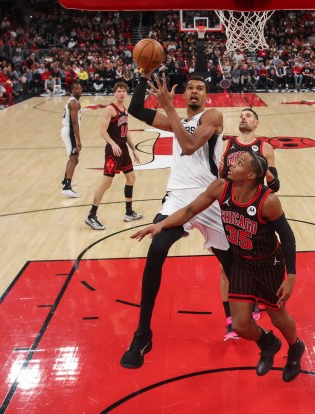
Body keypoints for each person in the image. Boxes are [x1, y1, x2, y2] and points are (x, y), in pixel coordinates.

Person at [132, 151, 304, 382]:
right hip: (242, 262)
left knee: (278, 317)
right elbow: (190, 211)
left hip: (269, 266)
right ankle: (268, 343)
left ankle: (295, 349)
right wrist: (160, 225)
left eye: (240, 163)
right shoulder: (221, 188)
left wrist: (291, 275)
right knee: (241, 325)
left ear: (251, 175)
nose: (233, 163)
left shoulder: (268, 200)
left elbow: (288, 236)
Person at [120, 71, 233, 369]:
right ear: (183, 95)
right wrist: (142, 77)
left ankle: (245, 316)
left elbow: (189, 145)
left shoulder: (213, 116)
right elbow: (136, 111)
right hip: (179, 196)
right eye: (190, 88)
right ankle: (143, 333)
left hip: (209, 198)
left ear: (206, 96)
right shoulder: (176, 119)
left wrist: (168, 108)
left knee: (232, 264)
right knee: (156, 250)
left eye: (200, 88)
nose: (195, 91)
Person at [218, 108, 280, 340]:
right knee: (225, 266)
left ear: (257, 123)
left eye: (248, 115)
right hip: (229, 209)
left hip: (254, 213)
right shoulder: (226, 144)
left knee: (252, 261)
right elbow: (220, 177)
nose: (243, 118)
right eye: (241, 115)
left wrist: (272, 178)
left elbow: (274, 184)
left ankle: (252, 301)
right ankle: (230, 321)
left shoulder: (265, 148)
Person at [85, 81, 143, 230]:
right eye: (119, 91)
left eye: (124, 90)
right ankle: (91, 215)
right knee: (106, 183)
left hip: (123, 149)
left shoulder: (124, 109)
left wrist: (133, 148)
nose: (122, 93)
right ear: (114, 93)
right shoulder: (110, 109)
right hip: (113, 150)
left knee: (131, 178)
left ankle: (129, 212)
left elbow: (126, 130)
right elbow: (102, 131)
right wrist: (112, 143)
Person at [60, 81, 83, 198]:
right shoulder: (74, 103)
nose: (80, 90)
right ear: (72, 91)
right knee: (74, 159)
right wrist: (78, 140)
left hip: (68, 131)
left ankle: (65, 180)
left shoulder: (73, 101)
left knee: (73, 158)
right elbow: (74, 123)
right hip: (70, 132)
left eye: (80, 88)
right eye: (77, 88)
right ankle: (67, 187)